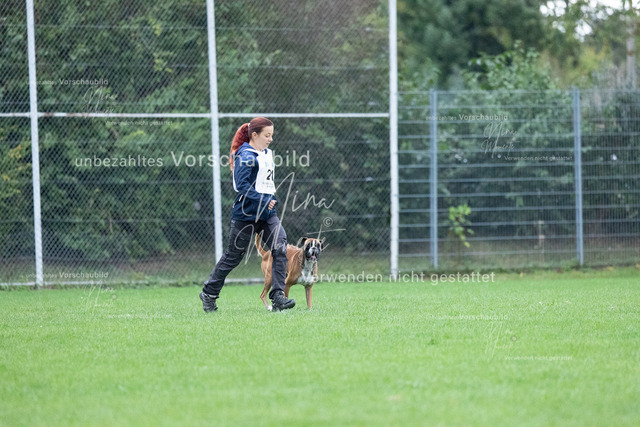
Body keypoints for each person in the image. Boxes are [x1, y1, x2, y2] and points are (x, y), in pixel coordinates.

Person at [199, 117, 295, 312]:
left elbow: (266, 183)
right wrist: (263, 200)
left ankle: (278, 296)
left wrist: (271, 199)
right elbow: (241, 186)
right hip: (246, 214)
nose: (270, 139)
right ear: (254, 135)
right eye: (267, 135)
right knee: (234, 256)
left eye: (271, 135)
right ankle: (209, 293)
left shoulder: (266, 153)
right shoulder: (245, 155)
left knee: (280, 246)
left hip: (267, 214)